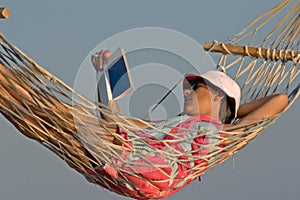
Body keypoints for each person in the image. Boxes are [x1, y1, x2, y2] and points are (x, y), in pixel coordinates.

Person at [0, 49, 288, 199]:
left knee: (57, 110)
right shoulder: (173, 128)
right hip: (128, 168)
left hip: (146, 169)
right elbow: (118, 122)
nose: (186, 90)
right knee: (43, 124)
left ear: (217, 95)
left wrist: (229, 111)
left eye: (196, 86)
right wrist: (106, 79)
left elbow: (280, 100)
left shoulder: (222, 134)